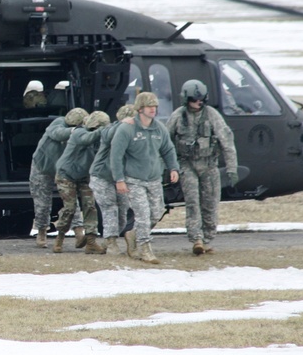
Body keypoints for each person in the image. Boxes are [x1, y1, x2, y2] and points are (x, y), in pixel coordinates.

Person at [167, 79, 239, 255]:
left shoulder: (212, 115)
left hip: (209, 165)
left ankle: (207, 239)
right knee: (192, 202)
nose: (198, 103)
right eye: (194, 99)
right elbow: (166, 143)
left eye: (201, 99)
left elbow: (226, 141)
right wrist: (169, 167)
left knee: (210, 203)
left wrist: (232, 168)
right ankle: (196, 239)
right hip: (187, 164)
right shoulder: (177, 116)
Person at [109, 92, 180, 264]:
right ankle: (145, 249)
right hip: (134, 179)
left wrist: (173, 168)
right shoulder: (126, 129)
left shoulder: (159, 128)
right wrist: (119, 179)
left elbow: (168, 149)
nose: (153, 110)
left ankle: (133, 234)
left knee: (156, 213)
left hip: (154, 179)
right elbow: (116, 156)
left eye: (155, 106)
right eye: (150, 106)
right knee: (143, 214)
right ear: (140, 109)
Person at [29, 107, 88, 248]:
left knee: (71, 201)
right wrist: (73, 132)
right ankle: (42, 231)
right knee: (42, 203)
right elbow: (57, 134)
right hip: (42, 168)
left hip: (63, 170)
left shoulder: (82, 135)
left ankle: (79, 232)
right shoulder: (58, 123)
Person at [53, 111, 111, 254]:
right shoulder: (79, 133)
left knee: (90, 206)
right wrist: (105, 130)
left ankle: (91, 242)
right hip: (66, 175)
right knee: (70, 208)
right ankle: (59, 238)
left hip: (84, 176)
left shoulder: (100, 139)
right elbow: (87, 139)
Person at [89, 104, 138, 256]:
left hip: (119, 178)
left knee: (123, 210)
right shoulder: (110, 129)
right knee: (110, 208)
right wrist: (124, 125)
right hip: (102, 176)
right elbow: (109, 135)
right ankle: (111, 243)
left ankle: (108, 240)